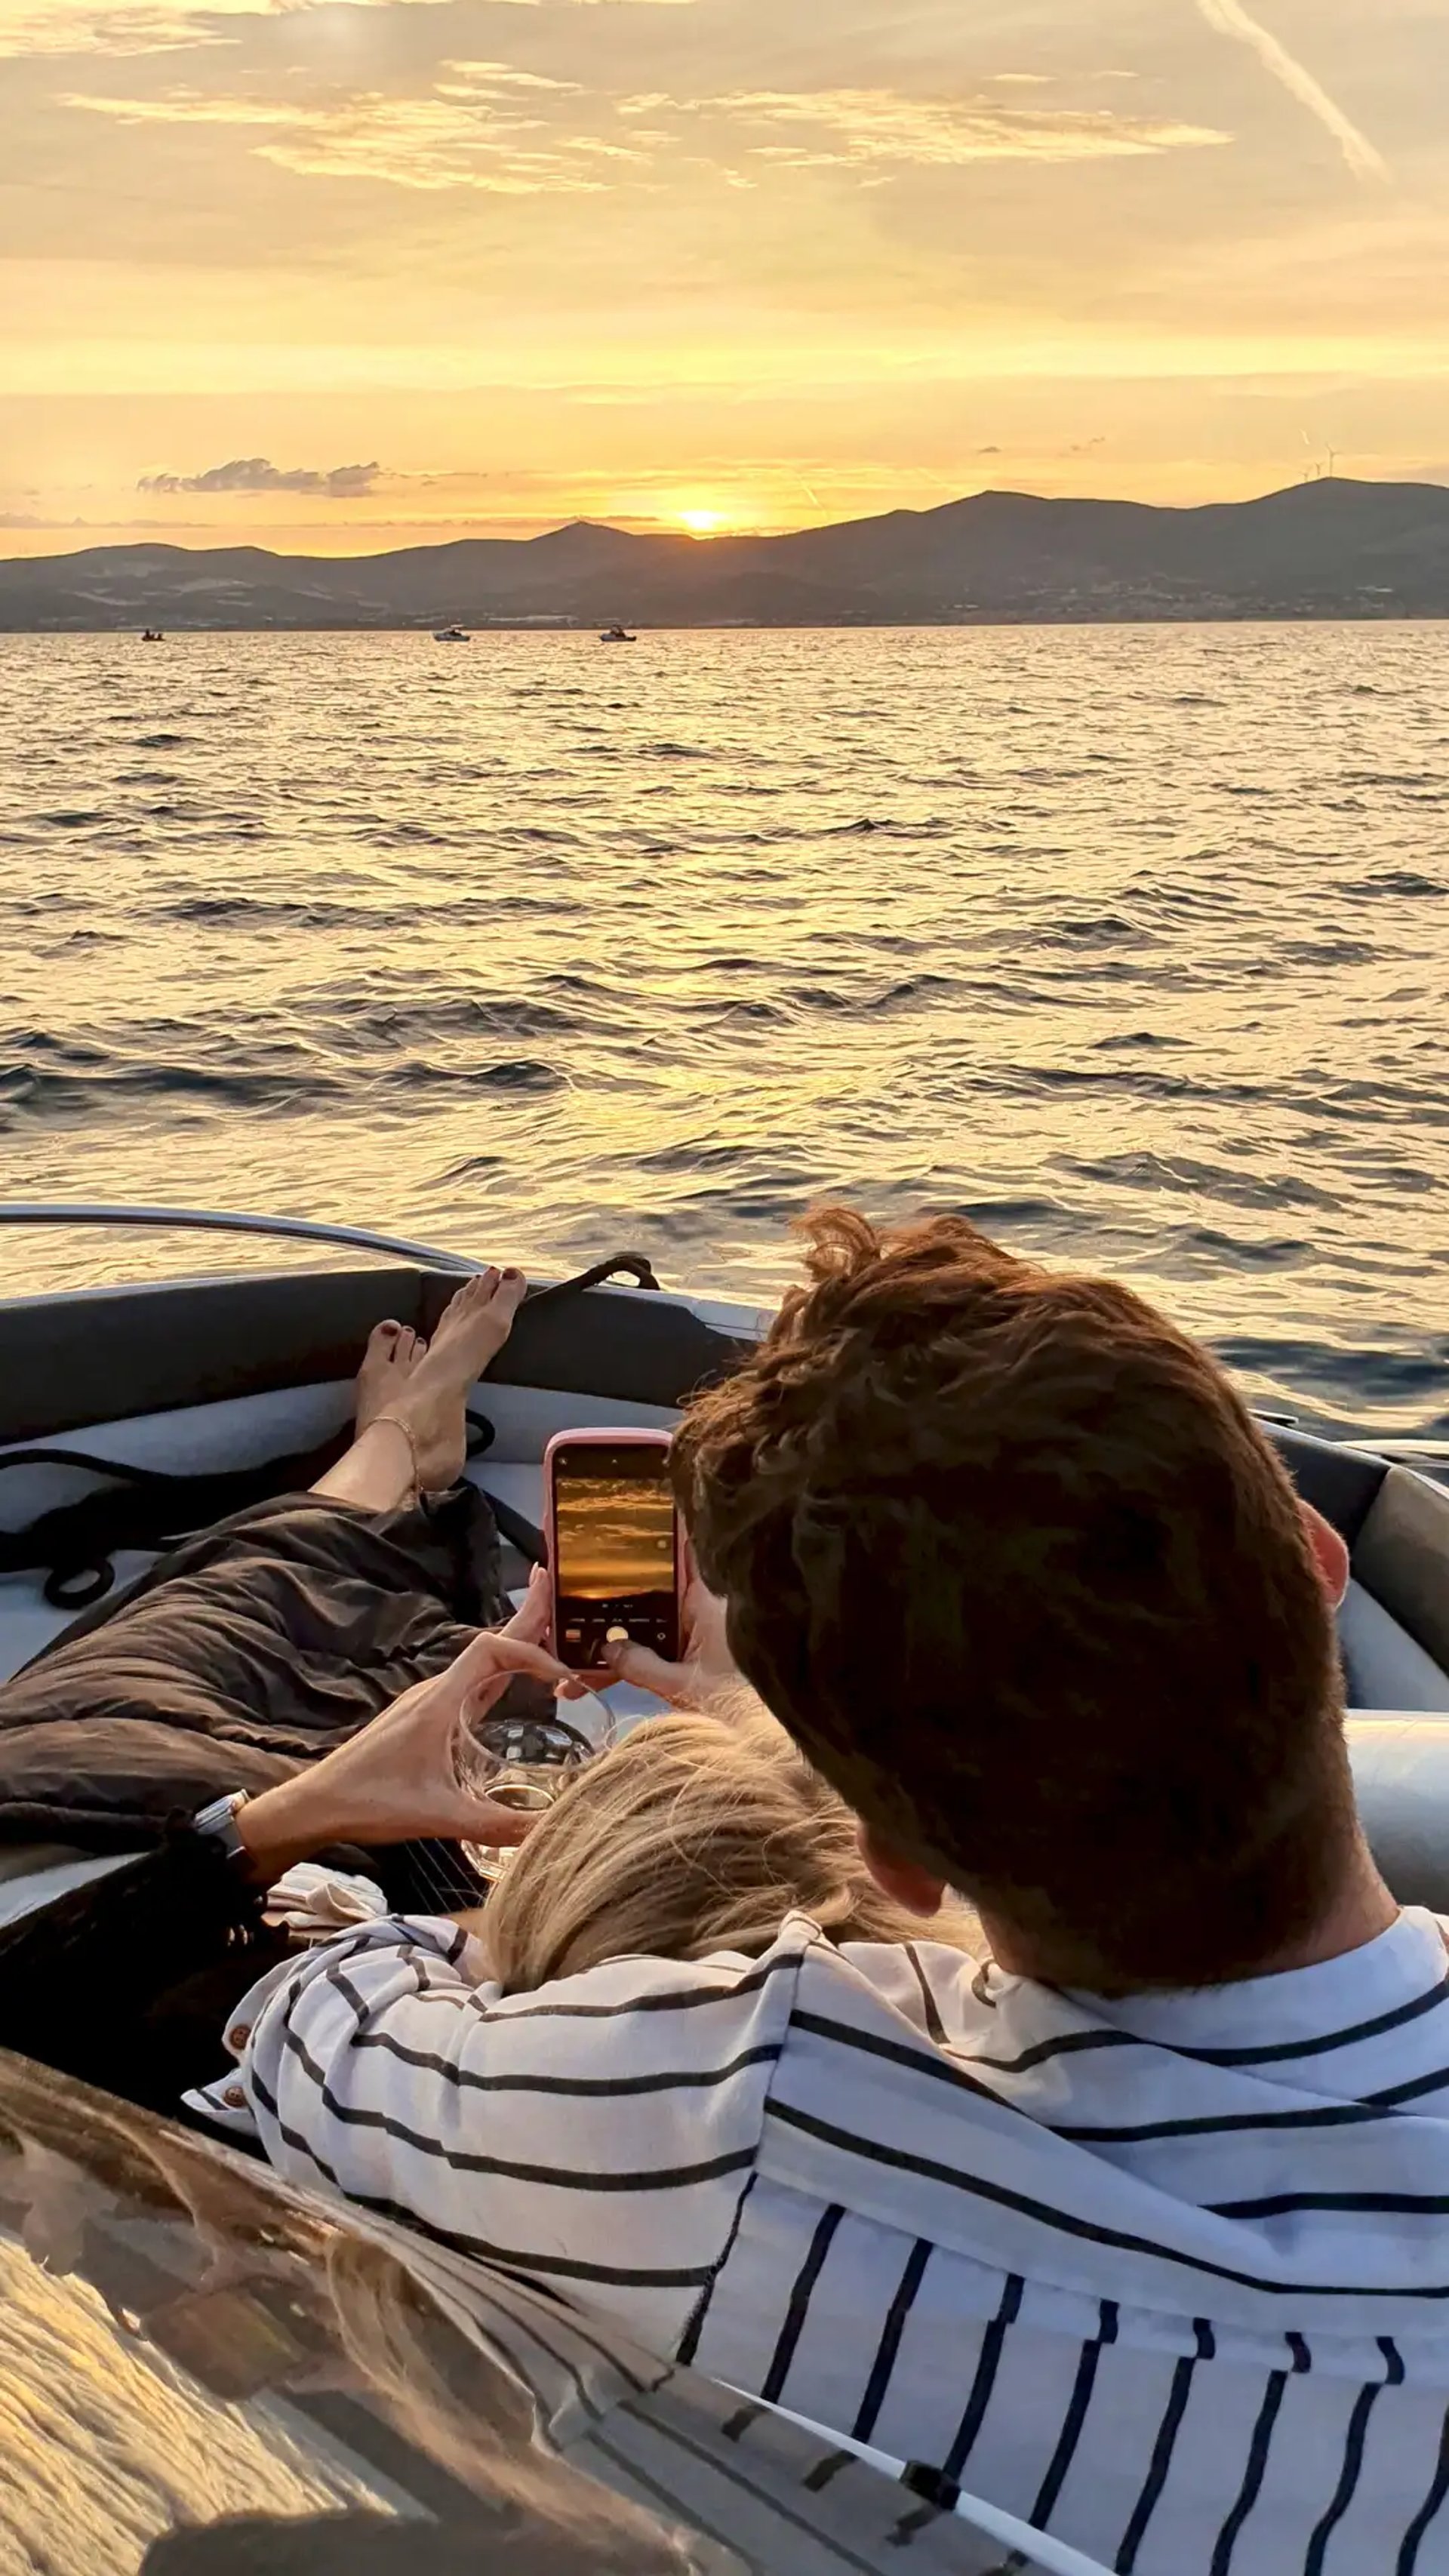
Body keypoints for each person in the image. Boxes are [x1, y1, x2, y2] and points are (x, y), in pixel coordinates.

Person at [60, 1211, 1449, 2567]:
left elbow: (312, 2030)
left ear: (889, 1861)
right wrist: (756, 1714)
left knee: (185, 1657)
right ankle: (392, 1464)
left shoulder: (742, 2111)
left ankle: (386, 1463)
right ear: (1318, 1568)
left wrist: (612, 1809)